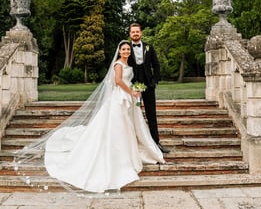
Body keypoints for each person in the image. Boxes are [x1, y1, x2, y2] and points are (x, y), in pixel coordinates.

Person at [15, 40, 164, 194]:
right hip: (119, 99)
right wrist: (131, 92)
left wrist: (134, 90)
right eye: (123, 49)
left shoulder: (129, 65)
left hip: (126, 98)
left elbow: (126, 80)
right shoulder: (118, 65)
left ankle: (125, 156)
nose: (126, 51)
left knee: (125, 127)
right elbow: (118, 81)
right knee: (118, 127)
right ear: (119, 52)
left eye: (127, 49)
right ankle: (116, 159)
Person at [128, 23, 170, 154]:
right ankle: (134, 145)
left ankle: (156, 143)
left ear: (141, 33)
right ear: (130, 34)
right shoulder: (125, 48)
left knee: (152, 115)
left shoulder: (149, 47)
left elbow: (156, 65)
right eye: (133, 32)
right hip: (132, 87)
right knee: (133, 115)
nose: (135, 33)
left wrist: (154, 81)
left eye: (137, 31)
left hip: (148, 86)